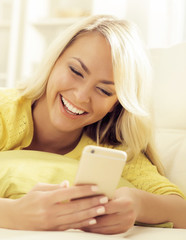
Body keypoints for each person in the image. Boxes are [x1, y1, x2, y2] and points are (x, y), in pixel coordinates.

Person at [0, 14, 186, 234]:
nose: (81, 97)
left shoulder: (112, 148)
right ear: (54, 61)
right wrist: (14, 213)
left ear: (116, 104)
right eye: (76, 71)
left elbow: (180, 210)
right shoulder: (5, 112)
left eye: (105, 90)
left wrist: (138, 204)